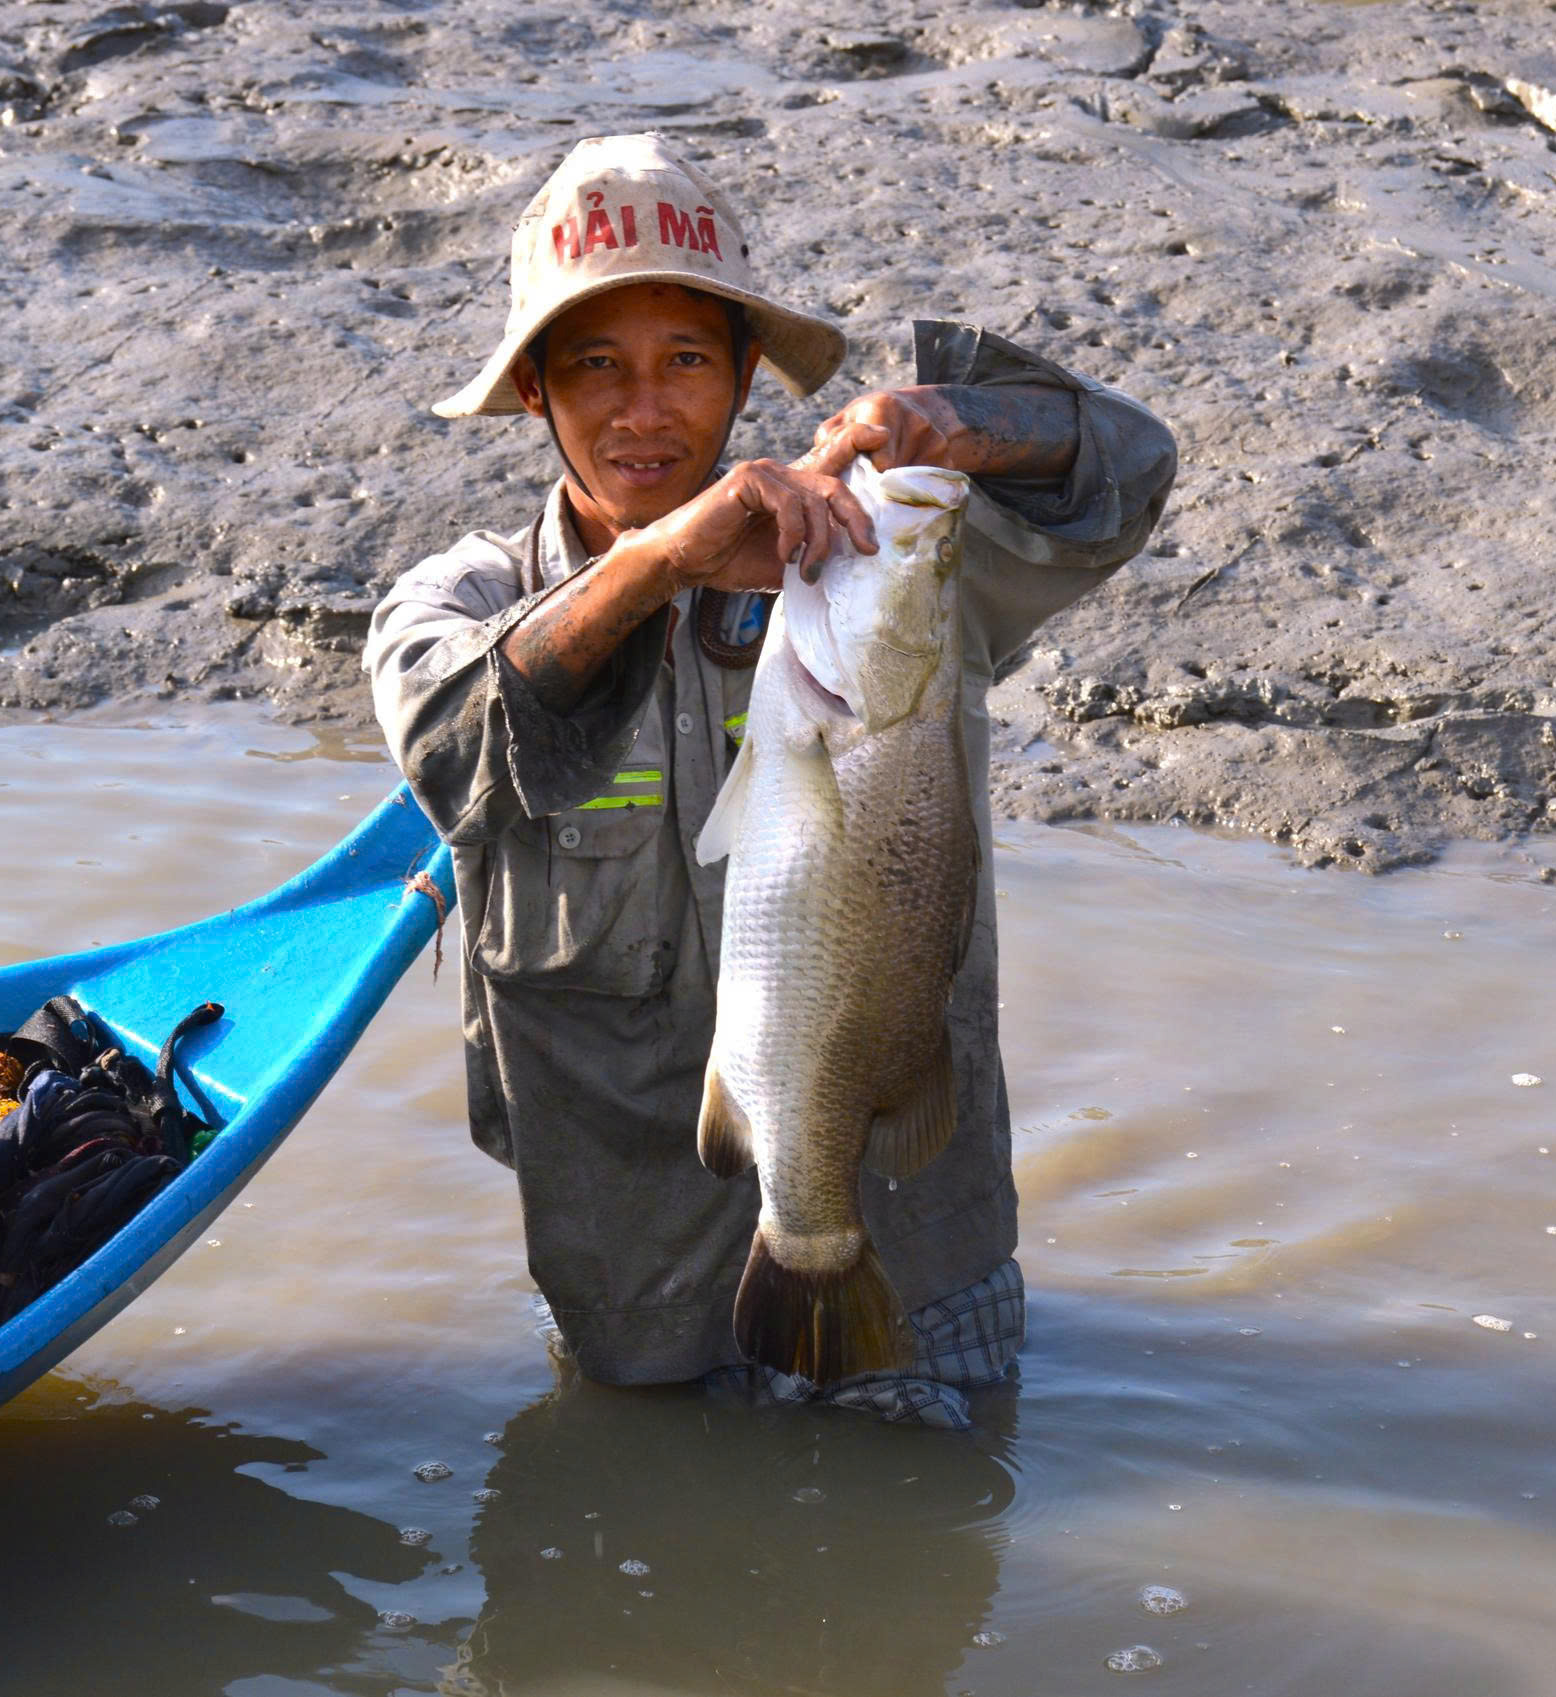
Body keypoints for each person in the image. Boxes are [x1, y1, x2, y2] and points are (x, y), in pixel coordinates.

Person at [365, 133, 1177, 1426]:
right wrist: (665, 562)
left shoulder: (878, 565)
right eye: (596, 367)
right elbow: (457, 741)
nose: (645, 409)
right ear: (533, 389)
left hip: (919, 1280)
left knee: (926, 1580)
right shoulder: (464, 603)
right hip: (634, 1303)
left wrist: (965, 424)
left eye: (687, 359)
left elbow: (1131, 470)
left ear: (749, 372)